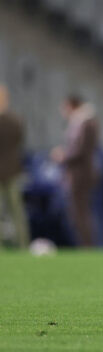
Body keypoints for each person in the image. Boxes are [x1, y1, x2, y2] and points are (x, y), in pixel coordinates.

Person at [51, 95, 99, 247]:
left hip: (81, 174)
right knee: (78, 212)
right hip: (78, 173)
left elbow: (81, 150)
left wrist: (63, 156)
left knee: (81, 212)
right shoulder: (82, 123)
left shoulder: (86, 123)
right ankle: (85, 245)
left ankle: (87, 246)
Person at [0, 85, 29, 248]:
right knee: (17, 212)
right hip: (13, 170)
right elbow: (20, 142)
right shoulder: (16, 120)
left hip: (6, 171)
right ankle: (23, 244)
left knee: (12, 211)